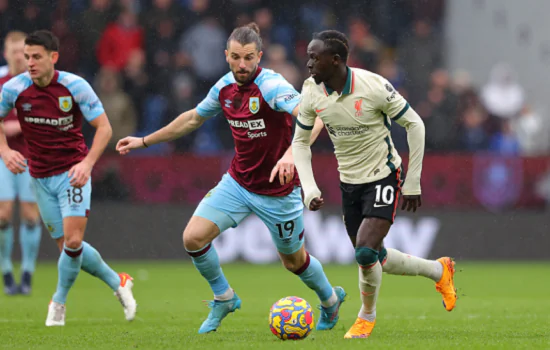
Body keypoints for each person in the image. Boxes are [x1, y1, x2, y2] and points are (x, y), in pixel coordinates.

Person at [116, 23, 346, 334]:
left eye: (249, 58)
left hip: (278, 192)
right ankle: (224, 297)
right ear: (226, 56)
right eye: (236, 57)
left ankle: (330, 300)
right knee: (193, 238)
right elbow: (194, 118)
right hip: (238, 183)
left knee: (294, 262)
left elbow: (314, 117)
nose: (242, 64)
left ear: (259, 56)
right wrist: (144, 141)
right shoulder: (224, 87)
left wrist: (292, 154)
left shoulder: (272, 86)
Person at [292, 30, 457, 339]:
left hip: (383, 175)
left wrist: (413, 181)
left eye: (315, 57)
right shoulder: (311, 90)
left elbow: (415, 124)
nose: (309, 62)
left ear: (336, 60)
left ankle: (366, 317)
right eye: (309, 56)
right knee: (375, 255)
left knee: (365, 252)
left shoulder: (373, 86)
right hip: (349, 183)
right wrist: (310, 188)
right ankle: (439, 270)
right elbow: (300, 143)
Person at [0, 30, 137, 326]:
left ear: (53, 57)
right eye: (27, 57)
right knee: (67, 249)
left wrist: (87, 164)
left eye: (36, 57)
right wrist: (4, 150)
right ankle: (119, 281)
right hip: (39, 177)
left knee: (74, 242)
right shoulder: (14, 89)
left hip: (72, 173)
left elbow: (104, 128)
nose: (30, 63)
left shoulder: (75, 86)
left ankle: (58, 302)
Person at [0, 31, 42, 296]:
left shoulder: (37, 81)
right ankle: (6, 270)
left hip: (31, 156)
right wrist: (13, 127)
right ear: (6, 53)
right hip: (3, 154)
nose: (18, 55)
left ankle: (27, 274)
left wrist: (15, 126)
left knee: (29, 214)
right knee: (3, 213)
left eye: (22, 51)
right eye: (13, 50)